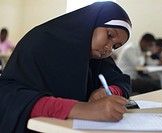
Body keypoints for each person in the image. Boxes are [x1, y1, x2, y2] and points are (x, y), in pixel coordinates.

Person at [0, 2, 132, 133]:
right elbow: (8, 96)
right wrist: (81, 110)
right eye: (109, 35)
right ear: (91, 24)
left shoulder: (97, 57)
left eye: (115, 46)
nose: (109, 48)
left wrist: (107, 91)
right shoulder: (41, 41)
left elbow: (121, 81)